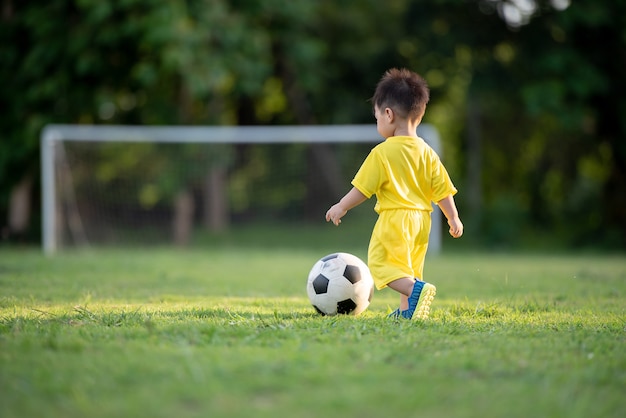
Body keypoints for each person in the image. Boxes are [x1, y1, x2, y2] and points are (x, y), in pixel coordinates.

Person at [325, 68, 463, 320]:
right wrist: (453, 218)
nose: (378, 122)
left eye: (376, 117)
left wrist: (341, 206)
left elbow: (362, 189)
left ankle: (414, 291)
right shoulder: (428, 152)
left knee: (381, 265)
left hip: (395, 219)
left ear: (388, 115)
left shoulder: (383, 152)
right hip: (423, 222)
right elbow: (442, 190)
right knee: (408, 267)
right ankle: (405, 311)